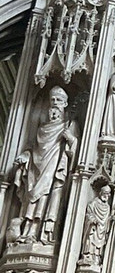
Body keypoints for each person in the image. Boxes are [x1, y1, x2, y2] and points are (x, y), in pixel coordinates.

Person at [11, 87, 78, 244]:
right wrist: (25, 156)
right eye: (52, 101)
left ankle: (42, 234)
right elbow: (32, 148)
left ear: (66, 103)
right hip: (37, 168)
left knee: (48, 198)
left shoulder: (69, 125)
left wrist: (71, 139)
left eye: (59, 101)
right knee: (32, 198)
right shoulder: (42, 128)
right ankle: (27, 232)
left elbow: (77, 150)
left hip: (54, 168)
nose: (55, 106)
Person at [80, 183, 113, 265]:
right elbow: (89, 214)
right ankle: (88, 256)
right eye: (105, 193)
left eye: (108, 194)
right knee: (90, 239)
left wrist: (110, 220)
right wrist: (93, 220)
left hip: (101, 230)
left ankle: (96, 258)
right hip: (94, 227)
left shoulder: (107, 207)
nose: (106, 196)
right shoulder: (94, 203)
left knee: (99, 245)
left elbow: (105, 221)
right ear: (101, 193)